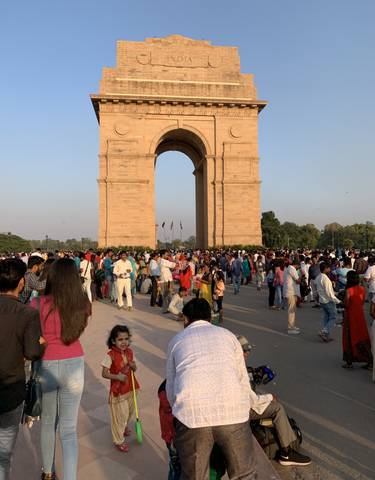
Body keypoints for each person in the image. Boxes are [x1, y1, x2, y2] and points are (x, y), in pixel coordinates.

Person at [166, 298, 257, 480]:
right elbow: (243, 381)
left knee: (196, 476)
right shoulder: (229, 336)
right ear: (210, 317)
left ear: (186, 319)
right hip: (233, 412)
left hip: (192, 416)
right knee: (244, 474)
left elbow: (171, 389)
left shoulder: (176, 341)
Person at [30, 258, 90, 480]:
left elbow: (34, 335)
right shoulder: (83, 304)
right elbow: (77, 330)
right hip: (74, 362)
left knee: (48, 423)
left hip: (48, 365)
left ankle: (47, 473)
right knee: (68, 429)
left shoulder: (37, 304)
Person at [0, 259, 44, 480]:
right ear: (20, 283)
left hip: (10, 390)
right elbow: (32, 353)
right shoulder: (27, 314)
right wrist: (42, 343)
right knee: (3, 456)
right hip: (10, 391)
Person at [237, 335, 311, 466]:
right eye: (244, 351)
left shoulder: (227, 363)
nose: (247, 353)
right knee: (277, 408)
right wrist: (270, 397)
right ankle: (286, 453)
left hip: (224, 407)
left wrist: (253, 372)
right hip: (239, 410)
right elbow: (252, 401)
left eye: (248, 350)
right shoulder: (238, 369)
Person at [101, 325, 139, 452]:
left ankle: (123, 427)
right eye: (120, 339)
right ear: (113, 341)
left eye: (126, 339)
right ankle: (118, 440)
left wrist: (133, 366)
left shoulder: (129, 352)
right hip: (118, 391)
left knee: (129, 412)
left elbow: (134, 369)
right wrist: (117, 377)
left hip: (132, 387)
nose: (124, 342)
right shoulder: (110, 355)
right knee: (120, 416)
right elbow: (104, 373)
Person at [342, 271, 372, 369]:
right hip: (360, 314)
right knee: (362, 335)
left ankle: (349, 361)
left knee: (349, 336)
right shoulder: (362, 289)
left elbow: (346, 304)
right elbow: (362, 302)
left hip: (350, 315)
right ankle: (369, 360)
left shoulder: (349, 290)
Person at [315, 262, 341, 342]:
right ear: (325, 268)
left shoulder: (318, 277)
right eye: (329, 268)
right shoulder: (325, 278)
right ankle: (325, 331)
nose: (330, 269)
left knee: (327, 317)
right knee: (333, 317)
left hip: (322, 300)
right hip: (328, 300)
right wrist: (338, 301)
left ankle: (326, 335)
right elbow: (329, 293)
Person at [283, 258, 301, 334]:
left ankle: (292, 326)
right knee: (291, 310)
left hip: (289, 291)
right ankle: (290, 328)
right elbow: (298, 281)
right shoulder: (292, 269)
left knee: (292, 310)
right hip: (291, 292)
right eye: (298, 266)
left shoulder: (287, 268)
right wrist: (301, 276)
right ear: (296, 265)